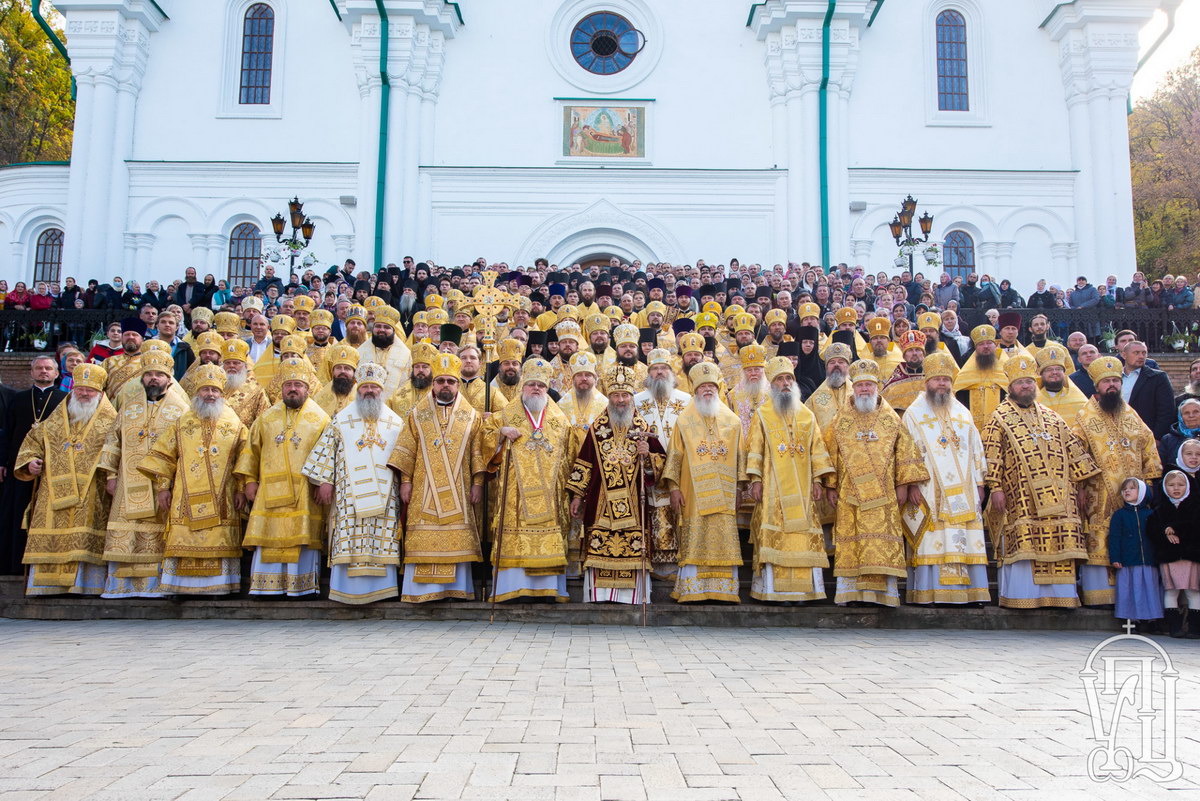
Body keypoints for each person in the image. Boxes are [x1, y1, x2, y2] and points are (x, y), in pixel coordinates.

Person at [982, 355, 1101, 608]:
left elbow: (1073, 451)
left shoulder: (1052, 417)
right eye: (1020, 383)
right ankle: (1024, 597)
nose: (1025, 386)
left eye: (1028, 381)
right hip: (1020, 499)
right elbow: (992, 456)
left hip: (1060, 499)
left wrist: (1080, 486)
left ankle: (1059, 597)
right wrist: (996, 488)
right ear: (1010, 387)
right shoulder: (998, 418)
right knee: (1026, 547)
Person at [823, 360, 929, 607]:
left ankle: (882, 595)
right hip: (850, 495)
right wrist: (830, 485)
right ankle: (852, 594)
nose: (864, 390)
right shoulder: (841, 420)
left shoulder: (890, 419)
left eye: (869, 385)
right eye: (860, 386)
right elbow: (829, 453)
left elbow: (905, 451)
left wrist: (904, 484)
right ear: (854, 388)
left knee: (879, 543)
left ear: (876, 387)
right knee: (853, 544)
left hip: (885, 495)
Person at [138, 365, 249, 595]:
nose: (210, 394)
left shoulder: (235, 423)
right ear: (197, 392)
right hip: (184, 497)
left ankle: (220, 586)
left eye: (214, 390)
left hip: (223, 497)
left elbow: (244, 458)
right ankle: (180, 586)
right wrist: (162, 488)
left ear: (221, 393)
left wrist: (240, 489)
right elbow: (164, 456)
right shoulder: (182, 422)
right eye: (205, 389)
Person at [388, 352, 486, 603]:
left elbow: (478, 451)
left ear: (457, 385)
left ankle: (455, 590)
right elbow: (406, 449)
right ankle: (420, 592)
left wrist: (477, 484)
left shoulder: (471, 416)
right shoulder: (416, 414)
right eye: (440, 381)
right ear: (433, 383)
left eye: (450, 382)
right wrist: (406, 482)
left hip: (460, 490)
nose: (445, 386)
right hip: (423, 490)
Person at [14, 364, 116, 595]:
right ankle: (45, 587)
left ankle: (83, 586)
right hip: (52, 491)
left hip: (90, 491)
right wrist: (30, 462)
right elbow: (32, 444)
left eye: (90, 390)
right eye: (79, 389)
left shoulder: (111, 421)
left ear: (100, 393)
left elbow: (117, 453)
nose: (84, 394)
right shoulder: (55, 420)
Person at [566, 366, 665, 603]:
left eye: (625, 395)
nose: (620, 400)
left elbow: (661, 465)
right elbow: (584, 463)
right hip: (601, 504)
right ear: (609, 398)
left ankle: (632, 597)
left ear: (632, 398)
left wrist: (648, 456)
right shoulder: (597, 429)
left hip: (633, 502)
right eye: (616, 395)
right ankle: (600, 595)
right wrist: (578, 496)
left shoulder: (643, 429)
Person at [1071, 356, 1162, 606]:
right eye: (1106, 381)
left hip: (1132, 496)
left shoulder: (1132, 415)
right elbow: (1074, 453)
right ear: (1096, 386)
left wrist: (1150, 484)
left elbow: (1149, 446)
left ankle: (1130, 598)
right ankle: (1099, 597)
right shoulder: (1084, 417)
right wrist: (1079, 487)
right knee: (1099, 542)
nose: (1111, 385)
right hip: (1097, 495)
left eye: (1115, 380)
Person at [901, 352, 990, 604]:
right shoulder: (913, 413)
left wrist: (980, 482)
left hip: (965, 491)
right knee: (933, 538)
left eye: (946, 379)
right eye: (937, 379)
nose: (941, 384)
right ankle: (930, 592)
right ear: (926, 382)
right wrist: (911, 484)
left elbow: (976, 449)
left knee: (964, 536)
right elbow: (907, 452)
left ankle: (971, 593)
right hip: (929, 489)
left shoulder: (963, 413)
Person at [98, 351, 188, 598]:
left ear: (169, 379)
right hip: (127, 482)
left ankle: (153, 586)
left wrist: (170, 485)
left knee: (154, 534)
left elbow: (185, 450)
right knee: (126, 532)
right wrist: (111, 477)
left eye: (159, 374)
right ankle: (120, 587)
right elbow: (112, 441)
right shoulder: (129, 407)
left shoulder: (181, 409)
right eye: (149, 374)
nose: (153, 379)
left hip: (161, 485)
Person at [743, 357, 834, 602]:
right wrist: (755, 480)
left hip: (804, 488)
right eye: (779, 379)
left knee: (801, 537)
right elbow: (755, 449)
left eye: (788, 379)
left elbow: (817, 449)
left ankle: (804, 592)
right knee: (777, 536)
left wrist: (818, 481)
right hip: (773, 489)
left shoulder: (807, 415)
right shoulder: (762, 415)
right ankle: (774, 591)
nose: (784, 383)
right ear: (771, 385)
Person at [236, 359, 330, 597]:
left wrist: (323, 482)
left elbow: (328, 454)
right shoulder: (266, 418)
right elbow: (251, 451)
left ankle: (302, 588)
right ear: (281, 388)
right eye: (289, 384)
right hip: (268, 492)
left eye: (298, 384)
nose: (293, 389)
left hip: (305, 493)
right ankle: (268, 588)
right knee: (268, 536)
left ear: (308, 389)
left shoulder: (320, 419)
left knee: (302, 539)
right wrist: (249, 482)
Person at [483, 357, 573, 602]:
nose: (536, 389)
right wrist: (500, 435)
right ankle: (513, 589)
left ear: (547, 390)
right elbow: (484, 438)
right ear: (523, 386)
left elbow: (571, 456)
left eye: (541, 386)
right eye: (532, 384)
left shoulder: (560, 421)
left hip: (550, 497)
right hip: (515, 498)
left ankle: (546, 590)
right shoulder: (506, 415)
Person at [664, 363, 744, 603]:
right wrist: (674, 488)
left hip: (725, 492)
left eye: (711, 386)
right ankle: (693, 589)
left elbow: (740, 458)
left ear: (718, 389)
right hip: (693, 493)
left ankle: (724, 591)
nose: (707, 390)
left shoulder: (733, 421)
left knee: (723, 538)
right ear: (695, 391)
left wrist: (740, 489)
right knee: (696, 538)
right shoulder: (684, 420)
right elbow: (674, 456)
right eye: (702, 387)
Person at [0, 355, 65, 575]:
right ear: (32, 372)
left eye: (48, 368)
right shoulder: (18, 399)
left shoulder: (65, 399)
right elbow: (7, 432)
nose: (43, 371)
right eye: (39, 368)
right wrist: (3, 461)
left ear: (57, 373)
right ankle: (13, 565)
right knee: (15, 514)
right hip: (19, 467)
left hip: (51, 469)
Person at [633, 349, 691, 578]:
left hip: (682, 467)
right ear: (648, 374)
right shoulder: (637, 401)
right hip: (649, 469)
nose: (659, 373)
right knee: (655, 513)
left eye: (663, 368)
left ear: (671, 373)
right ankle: (657, 563)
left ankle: (684, 560)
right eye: (655, 369)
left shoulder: (686, 400)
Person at [1107, 478, 1163, 631]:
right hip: (1128, 561)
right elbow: (1115, 538)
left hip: (1149, 561)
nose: (1127, 491)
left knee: (1150, 590)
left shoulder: (1151, 514)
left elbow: (1157, 537)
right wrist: (1116, 557)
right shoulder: (1119, 515)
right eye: (1125, 489)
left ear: (1143, 492)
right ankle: (1131, 621)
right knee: (1130, 590)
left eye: (1132, 488)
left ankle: (1152, 620)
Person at [1150, 470, 1200, 638]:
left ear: (1188, 486)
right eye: (1171, 485)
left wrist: (1177, 528)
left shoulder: (1195, 506)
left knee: (1193, 592)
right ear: (1164, 487)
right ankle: (1175, 628)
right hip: (1169, 557)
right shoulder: (1160, 509)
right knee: (1171, 592)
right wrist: (1165, 531)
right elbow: (1152, 530)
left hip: (1190, 556)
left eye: (1181, 484)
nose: (1176, 488)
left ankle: (1194, 629)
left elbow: (1195, 527)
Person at [952, 325, 1008, 431]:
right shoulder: (965, 369)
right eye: (981, 344)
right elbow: (958, 396)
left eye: (989, 343)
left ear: (995, 345)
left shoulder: (1005, 368)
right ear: (975, 347)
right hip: (971, 424)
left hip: (1002, 424)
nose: (985, 346)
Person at [1119, 340, 1175, 440]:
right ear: (1124, 355)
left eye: (1144, 353)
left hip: (1145, 436)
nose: (1141, 356)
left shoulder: (1157, 378)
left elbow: (1166, 411)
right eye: (1136, 353)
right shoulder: (1115, 377)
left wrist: (1157, 437)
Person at [1036, 345, 1088, 422]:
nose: (1054, 372)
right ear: (1041, 374)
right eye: (1049, 369)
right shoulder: (1034, 400)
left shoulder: (1080, 401)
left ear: (1064, 373)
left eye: (1058, 369)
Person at [881, 330, 927, 413]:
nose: (914, 353)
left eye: (917, 350)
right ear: (904, 356)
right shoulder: (896, 379)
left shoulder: (932, 375)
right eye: (910, 351)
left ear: (923, 354)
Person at [102, 318, 148, 400]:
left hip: (138, 409)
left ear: (142, 339)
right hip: (112, 410)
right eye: (126, 335)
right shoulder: (108, 362)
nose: (130, 337)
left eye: (134, 335)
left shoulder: (148, 362)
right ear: (122, 338)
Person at [311, 343, 360, 417]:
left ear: (354, 373)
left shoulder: (361, 397)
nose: (342, 371)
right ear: (332, 371)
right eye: (338, 368)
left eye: (347, 368)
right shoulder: (319, 397)